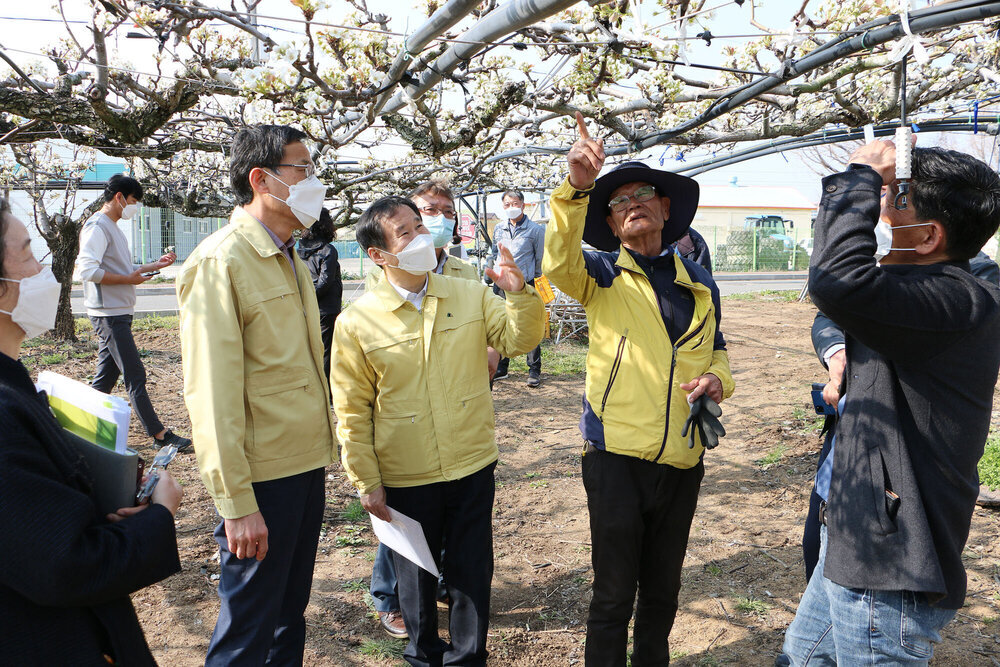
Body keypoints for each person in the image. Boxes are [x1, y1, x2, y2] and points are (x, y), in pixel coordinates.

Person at [779, 141, 1000, 665]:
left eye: (893, 198)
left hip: (890, 557)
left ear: (927, 236)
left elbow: (837, 283)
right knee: (803, 658)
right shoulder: (924, 290)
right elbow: (845, 302)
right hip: (857, 533)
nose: (878, 206)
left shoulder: (955, 300)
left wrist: (855, 178)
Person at [543, 113, 735, 666]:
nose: (633, 204)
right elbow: (558, 260)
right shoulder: (601, 275)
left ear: (666, 207)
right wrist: (576, 189)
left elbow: (717, 345)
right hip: (616, 459)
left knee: (663, 593)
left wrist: (719, 378)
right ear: (609, 219)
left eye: (644, 193)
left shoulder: (698, 282)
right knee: (612, 595)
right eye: (618, 200)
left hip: (682, 457)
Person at [331, 196, 545, 667]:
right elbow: (351, 410)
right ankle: (423, 655)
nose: (421, 236)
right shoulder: (358, 322)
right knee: (415, 581)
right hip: (406, 473)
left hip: (470, 462)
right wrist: (367, 481)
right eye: (405, 233)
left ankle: (469, 657)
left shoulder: (466, 293)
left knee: (471, 574)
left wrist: (520, 293)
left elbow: (518, 339)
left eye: (419, 225)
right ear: (379, 255)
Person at [177, 124, 337, 666]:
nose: (314, 182)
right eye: (303, 170)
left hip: (301, 464)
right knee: (248, 628)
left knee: (287, 615)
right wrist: (236, 503)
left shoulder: (287, 253)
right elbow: (211, 393)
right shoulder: (220, 262)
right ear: (261, 180)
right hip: (262, 477)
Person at [0, 197, 184, 665]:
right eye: (27, 253)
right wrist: (158, 515)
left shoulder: (14, 383)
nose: (45, 269)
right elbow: (64, 565)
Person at [802, 251, 999, 581]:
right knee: (817, 545)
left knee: (879, 577)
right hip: (851, 436)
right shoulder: (883, 261)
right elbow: (828, 315)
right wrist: (838, 355)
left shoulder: (975, 278)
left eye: (895, 198)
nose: (886, 207)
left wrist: (861, 368)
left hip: (907, 457)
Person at [363, 181, 492, 639]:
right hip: (408, 449)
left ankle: (450, 609)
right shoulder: (367, 309)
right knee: (405, 542)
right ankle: (391, 598)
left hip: (461, 437)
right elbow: (358, 401)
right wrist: (367, 478)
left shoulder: (462, 276)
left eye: (440, 215)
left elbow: (499, 333)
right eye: (421, 216)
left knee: (460, 545)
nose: (431, 226)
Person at [77, 174, 192, 452]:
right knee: (135, 374)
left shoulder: (111, 226)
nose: (135, 207)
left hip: (116, 312)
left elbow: (122, 270)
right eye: (133, 201)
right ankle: (159, 434)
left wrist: (154, 265)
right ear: (118, 197)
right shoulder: (97, 227)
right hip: (108, 314)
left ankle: (79, 428)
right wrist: (130, 280)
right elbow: (87, 271)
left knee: (106, 379)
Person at [489, 188, 545, 386]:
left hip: (524, 283)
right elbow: (494, 252)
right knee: (502, 324)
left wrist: (533, 278)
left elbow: (539, 258)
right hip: (501, 283)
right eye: (507, 205)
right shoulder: (499, 228)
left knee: (529, 325)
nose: (511, 208)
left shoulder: (536, 230)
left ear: (522, 204)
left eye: (514, 204)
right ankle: (502, 367)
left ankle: (534, 369)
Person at [296, 208, 343, 381]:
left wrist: (306, 297)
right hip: (327, 308)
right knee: (326, 349)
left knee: (309, 346)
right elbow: (326, 280)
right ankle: (324, 388)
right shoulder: (327, 250)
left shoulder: (299, 249)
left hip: (306, 305)